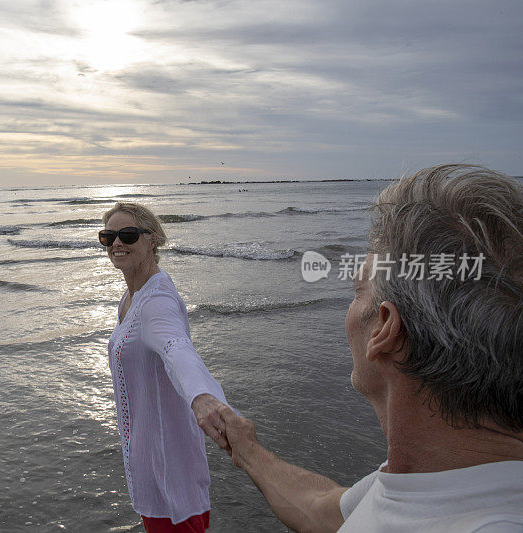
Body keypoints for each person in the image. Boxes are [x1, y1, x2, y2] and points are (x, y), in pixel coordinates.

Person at [216, 164, 523, 532]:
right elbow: (321, 510)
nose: (351, 307)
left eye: (358, 290)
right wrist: (247, 449)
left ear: (384, 328)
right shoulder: (422, 479)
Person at [100, 202, 232, 532]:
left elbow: (176, 348)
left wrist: (202, 396)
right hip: (150, 456)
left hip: (169, 463)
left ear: (153, 239)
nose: (117, 243)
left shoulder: (156, 301)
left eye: (128, 234)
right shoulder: (131, 297)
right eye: (109, 236)